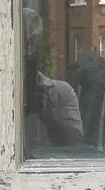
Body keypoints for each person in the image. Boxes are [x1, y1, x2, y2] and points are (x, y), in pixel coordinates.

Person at [22, 8, 84, 153]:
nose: (27, 53)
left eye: (33, 45)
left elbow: (76, 144)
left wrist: (49, 117)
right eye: (25, 45)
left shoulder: (60, 92)